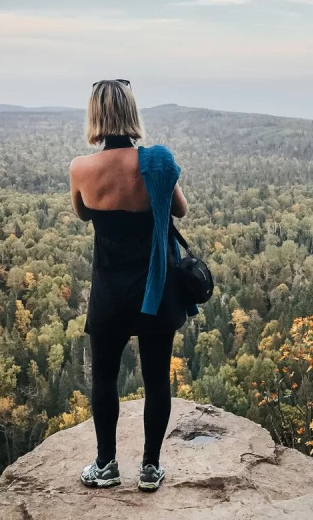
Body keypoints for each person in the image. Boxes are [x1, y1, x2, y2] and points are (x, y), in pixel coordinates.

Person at [68, 79, 190, 492]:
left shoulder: (81, 169)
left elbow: (83, 213)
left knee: (104, 378)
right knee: (157, 379)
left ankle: (106, 465)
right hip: (156, 288)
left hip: (110, 291)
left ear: (95, 116)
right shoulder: (157, 163)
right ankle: (151, 469)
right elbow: (181, 209)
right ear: (132, 113)